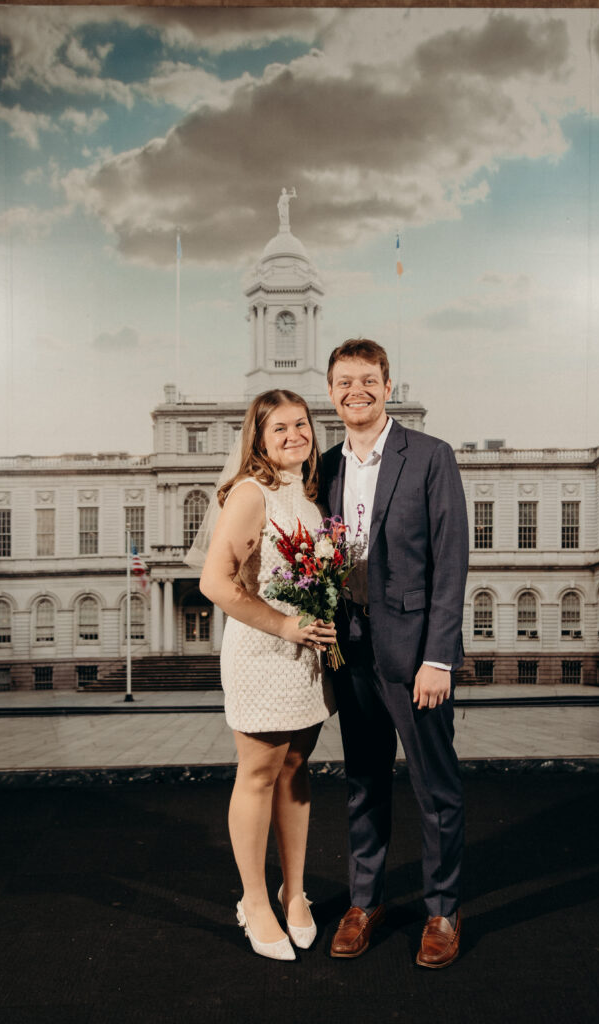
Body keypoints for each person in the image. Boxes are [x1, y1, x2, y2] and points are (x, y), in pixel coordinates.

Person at [321, 339, 469, 968]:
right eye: (344, 382)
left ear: (388, 385)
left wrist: (439, 656)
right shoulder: (323, 466)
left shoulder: (431, 457)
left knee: (435, 788)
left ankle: (441, 911)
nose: (356, 391)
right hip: (350, 651)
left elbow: (451, 560)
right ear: (331, 392)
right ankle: (365, 901)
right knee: (362, 783)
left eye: (367, 380)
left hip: (415, 657)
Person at [197, 389, 337, 961]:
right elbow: (215, 582)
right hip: (263, 652)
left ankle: (294, 891)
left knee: (297, 769)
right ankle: (255, 901)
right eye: (277, 428)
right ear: (257, 438)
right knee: (258, 773)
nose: (292, 436)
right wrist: (283, 626)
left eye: (300, 425)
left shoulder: (307, 497)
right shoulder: (251, 495)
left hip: (306, 657)